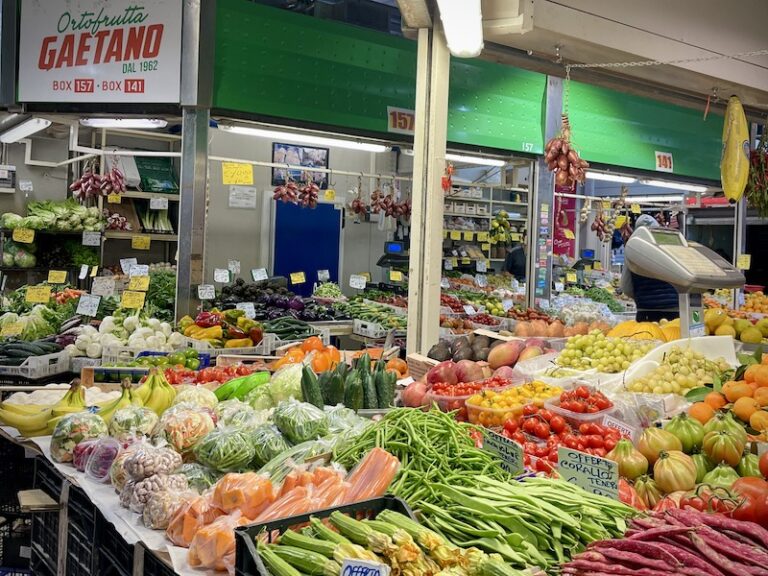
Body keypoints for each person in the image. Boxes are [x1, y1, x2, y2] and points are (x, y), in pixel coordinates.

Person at [619, 214, 679, 322]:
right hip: (674, 308)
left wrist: (642, 295)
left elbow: (626, 287)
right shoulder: (671, 246)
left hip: (647, 311)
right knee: (673, 336)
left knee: (648, 338)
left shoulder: (632, 250)